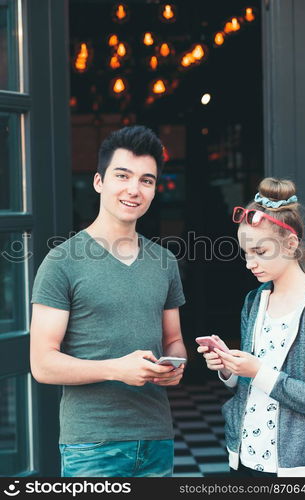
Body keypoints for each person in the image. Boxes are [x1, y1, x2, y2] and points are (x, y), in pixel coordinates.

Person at [30, 125, 187, 477]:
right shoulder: (62, 261)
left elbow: (173, 339)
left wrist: (176, 364)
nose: (134, 189)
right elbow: (42, 364)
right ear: (99, 182)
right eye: (123, 176)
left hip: (157, 438)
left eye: (147, 180)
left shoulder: (164, 261)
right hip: (92, 445)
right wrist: (117, 368)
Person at [197, 177, 305, 477]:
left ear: (291, 244)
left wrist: (257, 371)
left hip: (297, 467)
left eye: (260, 252)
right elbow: (248, 381)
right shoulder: (254, 301)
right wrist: (229, 366)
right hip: (244, 457)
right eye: (246, 253)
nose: (250, 263)